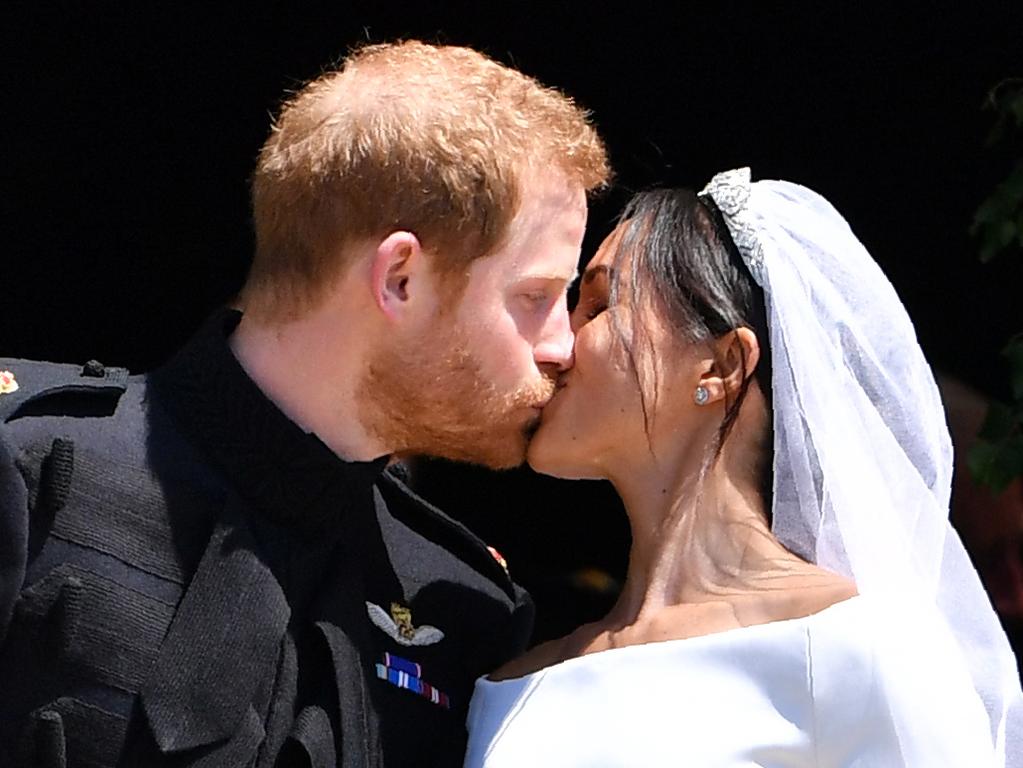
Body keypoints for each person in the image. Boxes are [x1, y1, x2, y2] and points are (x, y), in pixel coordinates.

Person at [0, 41, 609, 767]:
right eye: (536, 298)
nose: (563, 345)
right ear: (400, 280)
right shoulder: (29, 465)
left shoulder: (466, 605)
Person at [464, 168, 1023, 766]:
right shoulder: (509, 684)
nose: (556, 345)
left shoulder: (857, 650)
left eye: (598, 304)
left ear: (723, 366)